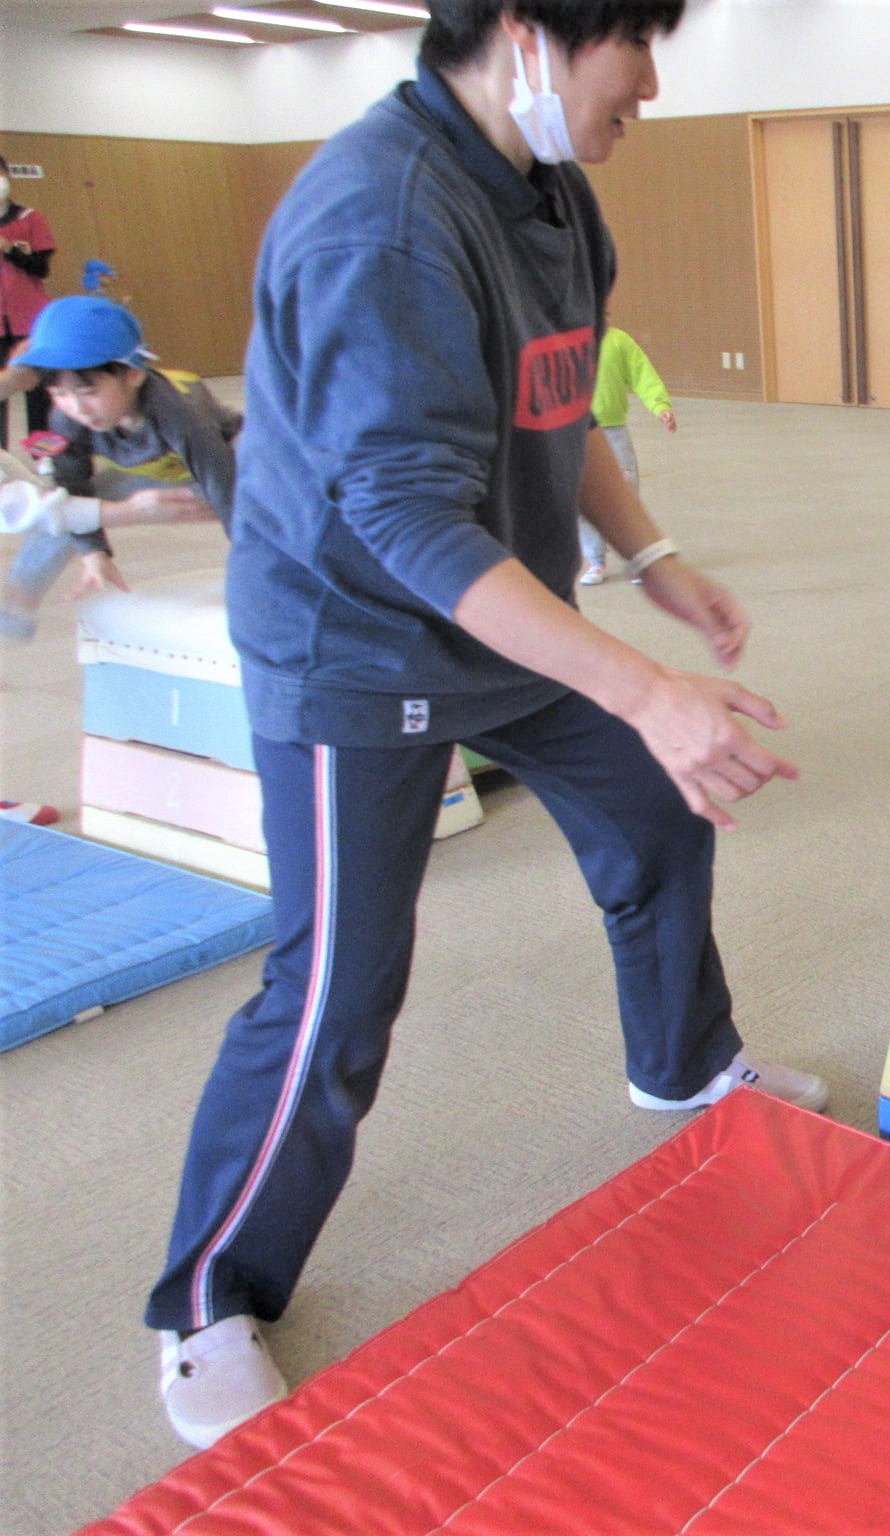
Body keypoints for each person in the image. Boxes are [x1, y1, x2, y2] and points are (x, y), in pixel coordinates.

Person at [147, 0, 822, 1453]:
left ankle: (682, 1062)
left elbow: (556, 404)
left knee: (655, 813)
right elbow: (402, 517)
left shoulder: (551, 188)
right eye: (636, 41)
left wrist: (656, 563)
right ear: (528, 32)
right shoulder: (382, 221)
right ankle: (210, 1295)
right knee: (338, 989)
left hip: (497, 618)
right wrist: (641, 686)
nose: (653, 82)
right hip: (354, 644)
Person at [0, 296, 231, 639]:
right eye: (58, 392)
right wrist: (93, 551)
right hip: (154, 471)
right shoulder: (67, 416)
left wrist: (251, 557)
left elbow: (221, 476)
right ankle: (16, 606)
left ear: (133, 375)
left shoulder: (174, 408)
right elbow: (72, 488)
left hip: (229, 461)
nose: (77, 407)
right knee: (61, 508)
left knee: (264, 495)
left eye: (87, 390)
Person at [580, 324, 676, 584]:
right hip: (576, 434)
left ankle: (636, 559)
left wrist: (660, 405)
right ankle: (596, 559)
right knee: (579, 499)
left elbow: (642, 374)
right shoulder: (565, 340)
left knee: (626, 496)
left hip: (614, 432)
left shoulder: (618, 341)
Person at [0, 153, 56, 447]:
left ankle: (45, 457)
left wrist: (9, 248)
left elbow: (41, 269)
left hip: (30, 319)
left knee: (40, 394)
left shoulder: (29, 218)